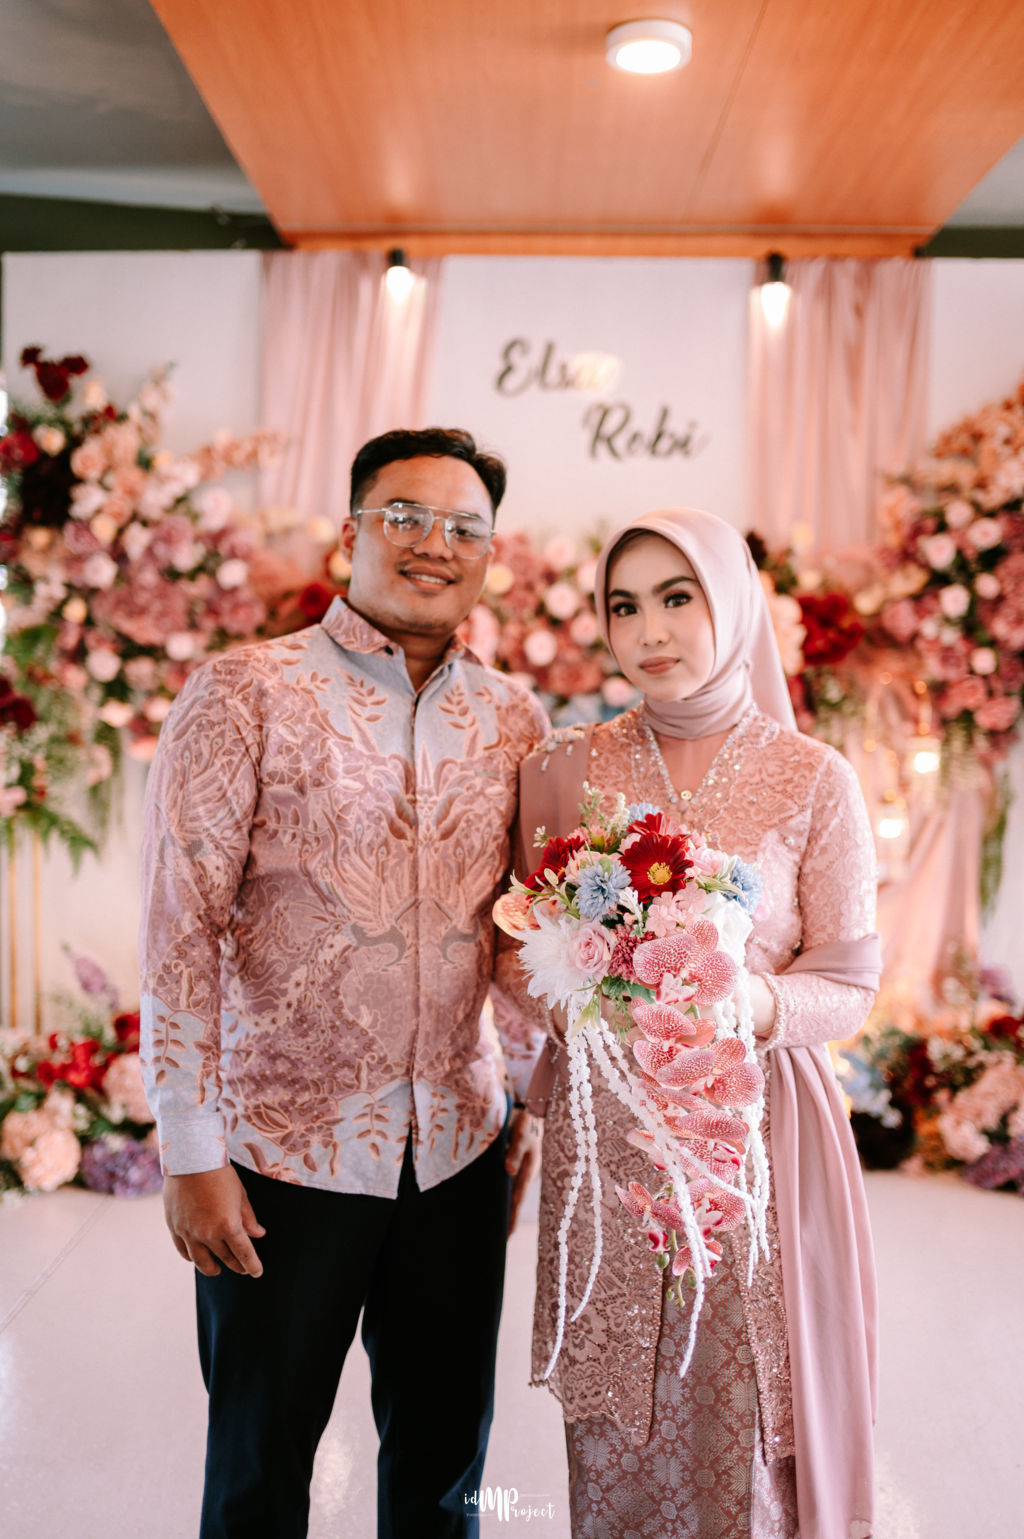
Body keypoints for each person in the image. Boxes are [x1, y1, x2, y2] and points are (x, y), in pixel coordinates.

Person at [139, 427, 550, 1539]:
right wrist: (189, 1149)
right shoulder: (245, 692)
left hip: (457, 1147)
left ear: (490, 553)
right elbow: (180, 929)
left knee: (444, 1470)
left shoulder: (515, 718)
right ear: (351, 532)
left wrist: (534, 1098)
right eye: (405, 515)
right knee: (259, 1467)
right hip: (282, 1152)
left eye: (464, 527)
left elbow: (521, 928)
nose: (434, 542)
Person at [517, 508, 881, 1539]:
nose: (649, 630)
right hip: (606, 1133)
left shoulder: (815, 776)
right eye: (624, 605)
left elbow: (851, 982)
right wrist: (587, 988)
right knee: (619, 1416)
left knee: (746, 1407)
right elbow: (514, 949)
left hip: (760, 1135)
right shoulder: (561, 767)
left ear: (732, 602)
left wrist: (749, 1002)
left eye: (677, 597)